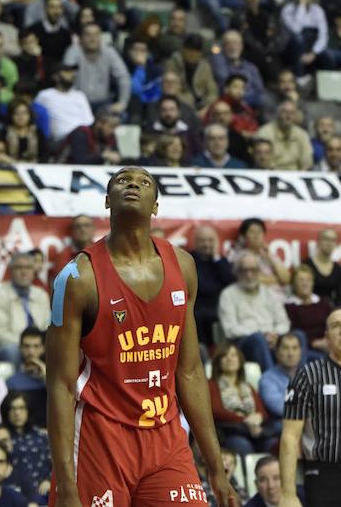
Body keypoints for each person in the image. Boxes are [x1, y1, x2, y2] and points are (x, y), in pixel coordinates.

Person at [45, 166, 235, 507]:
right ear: (107, 201)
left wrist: (216, 468)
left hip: (165, 436)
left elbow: (189, 372)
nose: (133, 183)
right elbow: (59, 385)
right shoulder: (76, 277)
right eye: (122, 180)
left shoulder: (183, 266)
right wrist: (67, 484)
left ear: (156, 206)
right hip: (101, 436)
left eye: (144, 181)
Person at [280, 308, 341, 507]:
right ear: (326, 337)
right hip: (325, 473)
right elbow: (289, 437)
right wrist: (288, 494)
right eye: (336, 326)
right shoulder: (308, 376)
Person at [218, 251, 291, 371]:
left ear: (259, 272)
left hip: (274, 340)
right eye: (244, 270)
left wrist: (274, 334)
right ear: (237, 272)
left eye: (253, 270)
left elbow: (284, 323)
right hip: (243, 344)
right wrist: (263, 334)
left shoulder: (269, 293)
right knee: (258, 339)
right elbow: (230, 329)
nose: (249, 274)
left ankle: (300, 384)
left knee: (299, 337)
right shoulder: (228, 294)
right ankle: (270, 382)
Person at [208, 341, 276, 457]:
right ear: (218, 361)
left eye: (233, 355)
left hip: (255, 431)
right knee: (242, 445)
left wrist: (257, 419)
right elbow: (216, 411)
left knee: (273, 444)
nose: (229, 359)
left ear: (240, 360)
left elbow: (263, 413)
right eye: (225, 356)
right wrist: (244, 420)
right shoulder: (211, 385)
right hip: (230, 433)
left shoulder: (248, 386)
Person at [0, 254, 51, 366]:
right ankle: (16, 383)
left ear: (33, 271)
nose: (24, 272)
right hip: (5, 346)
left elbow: (46, 326)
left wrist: (37, 346)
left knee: (56, 348)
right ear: (11, 271)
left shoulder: (41, 295)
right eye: (19, 267)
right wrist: (25, 346)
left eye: (28, 268)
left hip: (36, 345)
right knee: (13, 352)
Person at [63, 22, 131, 112]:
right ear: (80, 38)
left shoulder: (109, 51)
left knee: (121, 116)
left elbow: (123, 77)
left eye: (96, 34)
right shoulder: (74, 51)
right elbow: (66, 76)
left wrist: (122, 103)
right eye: (88, 35)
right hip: (77, 103)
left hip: (103, 104)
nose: (92, 38)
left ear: (101, 37)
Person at [190, 225, 235, 347]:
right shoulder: (189, 259)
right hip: (197, 307)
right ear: (195, 242)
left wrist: (216, 258)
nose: (206, 244)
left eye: (210, 241)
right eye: (202, 241)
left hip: (220, 306)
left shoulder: (221, 261)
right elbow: (202, 287)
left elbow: (230, 282)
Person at [0, 393, 51, 497]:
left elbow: (56, 464)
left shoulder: (42, 435)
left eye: (21, 408)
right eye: (12, 409)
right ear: (6, 412)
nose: (17, 413)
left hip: (43, 491)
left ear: (28, 410)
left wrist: (49, 480)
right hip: (12, 492)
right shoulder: (1, 437)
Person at [33, 62, 94, 144]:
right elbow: (34, 115)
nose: (71, 75)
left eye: (71, 72)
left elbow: (88, 121)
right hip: (59, 140)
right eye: (66, 72)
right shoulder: (45, 95)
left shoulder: (80, 95)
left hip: (81, 136)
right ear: (55, 77)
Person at [281, 0, 333, 75]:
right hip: (293, 46)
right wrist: (302, 6)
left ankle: (326, 85)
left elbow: (323, 35)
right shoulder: (287, 9)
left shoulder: (318, 10)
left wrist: (314, 53)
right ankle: (299, 78)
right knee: (298, 39)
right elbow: (296, 29)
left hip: (312, 45)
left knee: (328, 56)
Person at [258, 333, 303, 434]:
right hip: (280, 428)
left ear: (300, 352)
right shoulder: (268, 378)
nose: (290, 353)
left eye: (295, 348)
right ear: (277, 352)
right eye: (285, 348)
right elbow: (281, 407)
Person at [285, 265, 331, 361]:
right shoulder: (290, 306)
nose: (305, 283)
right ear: (293, 284)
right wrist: (315, 343)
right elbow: (294, 333)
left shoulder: (323, 303)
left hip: (329, 343)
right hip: (306, 348)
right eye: (300, 280)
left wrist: (329, 341)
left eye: (308, 280)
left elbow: (332, 324)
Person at [210, 29, 265, 109]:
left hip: (253, 106)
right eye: (228, 43)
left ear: (241, 46)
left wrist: (244, 99)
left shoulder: (251, 67)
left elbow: (260, 92)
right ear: (223, 47)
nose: (232, 47)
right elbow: (225, 83)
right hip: (229, 106)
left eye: (235, 43)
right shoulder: (220, 65)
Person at [5, 328, 47, 430]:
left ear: (43, 348)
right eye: (27, 346)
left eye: (36, 346)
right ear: (20, 348)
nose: (31, 352)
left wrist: (45, 376)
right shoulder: (12, 381)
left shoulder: (53, 377)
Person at [257, 101, 313, 171]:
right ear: (278, 114)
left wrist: (302, 173)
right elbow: (261, 159)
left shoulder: (302, 135)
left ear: (296, 116)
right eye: (285, 112)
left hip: (296, 175)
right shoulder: (264, 132)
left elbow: (307, 160)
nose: (288, 116)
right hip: (271, 173)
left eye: (292, 113)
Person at [4, 98, 48, 163]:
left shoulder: (38, 132)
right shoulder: (4, 133)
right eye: (17, 113)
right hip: (10, 167)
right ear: (11, 115)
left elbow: (44, 157)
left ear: (29, 115)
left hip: (35, 168)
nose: (21, 116)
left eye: (24, 113)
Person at [305, 228, 341, 306]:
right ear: (318, 242)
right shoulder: (307, 265)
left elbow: (339, 297)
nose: (329, 243)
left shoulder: (338, 269)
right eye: (326, 239)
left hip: (330, 309)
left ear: (336, 244)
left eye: (333, 240)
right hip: (309, 307)